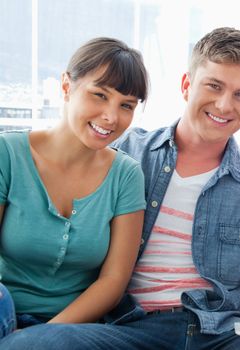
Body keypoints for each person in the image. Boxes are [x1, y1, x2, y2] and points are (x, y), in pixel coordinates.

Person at [0, 27, 240, 350]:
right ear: (187, 85)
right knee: (35, 344)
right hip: (135, 329)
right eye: (214, 86)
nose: (223, 105)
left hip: (223, 332)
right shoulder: (126, 152)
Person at [0, 37, 148, 337]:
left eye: (126, 105)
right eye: (99, 95)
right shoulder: (7, 154)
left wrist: (40, 338)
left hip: (74, 331)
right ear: (67, 86)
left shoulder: (127, 175)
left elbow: (113, 282)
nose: (111, 117)